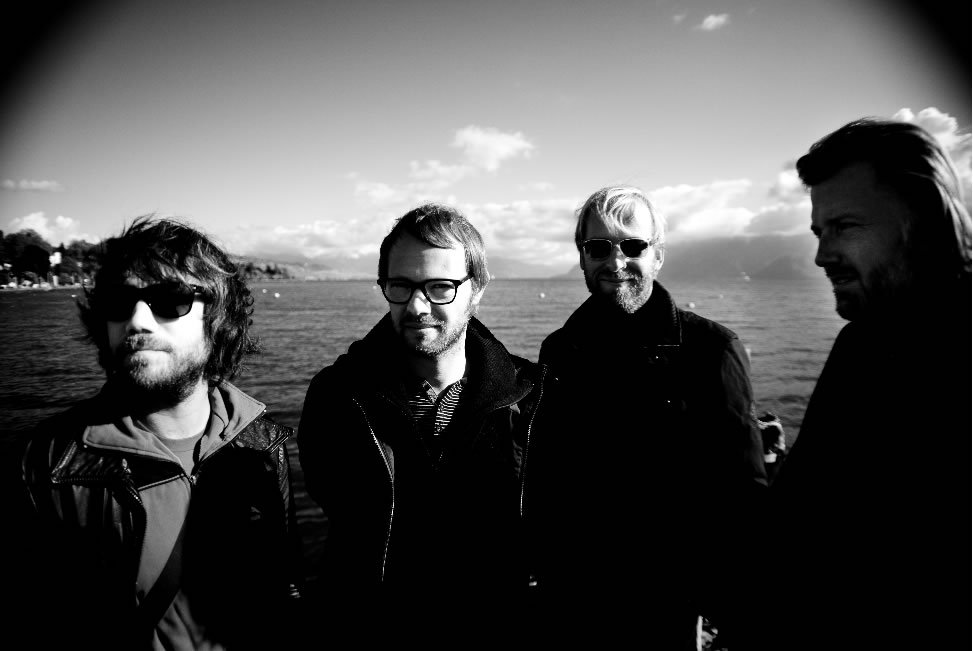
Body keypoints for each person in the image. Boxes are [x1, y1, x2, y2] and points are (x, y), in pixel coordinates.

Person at [2, 217, 301, 650]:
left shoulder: (260, 442)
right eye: (119, 301)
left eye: (170, 299)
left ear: (218, 321)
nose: (138, 320)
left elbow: (284, 582)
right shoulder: (45, 467)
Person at [297, 204, 553, 630]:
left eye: (439, 287)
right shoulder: (338, 398)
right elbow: (339, 512)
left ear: (477, 289)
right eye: (401, 285)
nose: (417, 306)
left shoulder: (531, 400)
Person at [534, 185, 767, 647]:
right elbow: (545, 471)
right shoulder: (559, 351)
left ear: (657, 256)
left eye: (633, 245)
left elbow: (743, 492)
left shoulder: (712, 350)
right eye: (598, 247)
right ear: (582, 258)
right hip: (572, 592)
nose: (616, 261)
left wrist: (735, 607)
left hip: (666, 598)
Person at [769, 118, 972, 650]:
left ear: (924, 219)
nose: (822, 256)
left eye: (845, 226)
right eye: (819, 233)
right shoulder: (861, 343)